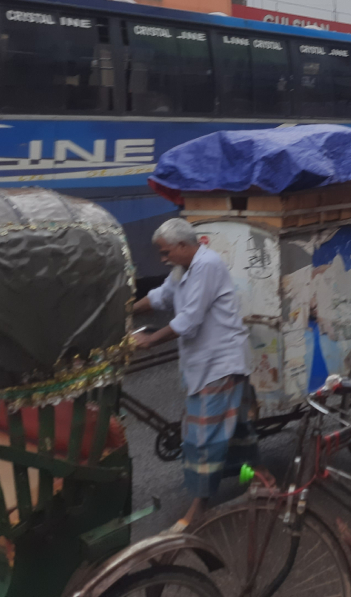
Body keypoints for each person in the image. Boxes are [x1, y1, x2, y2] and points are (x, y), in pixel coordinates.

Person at [132, 218, 256, 529]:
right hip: (204, 364)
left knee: (203, 440)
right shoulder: (182, 268)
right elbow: (161, 296)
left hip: (220, 363)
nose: (163, 258)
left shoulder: (207, 265)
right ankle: (261, 479)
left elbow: (188, 320)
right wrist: (125, 310)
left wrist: (150, 339)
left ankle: (199, 507)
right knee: (237, 430)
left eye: (166, 252)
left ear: (183, 246)